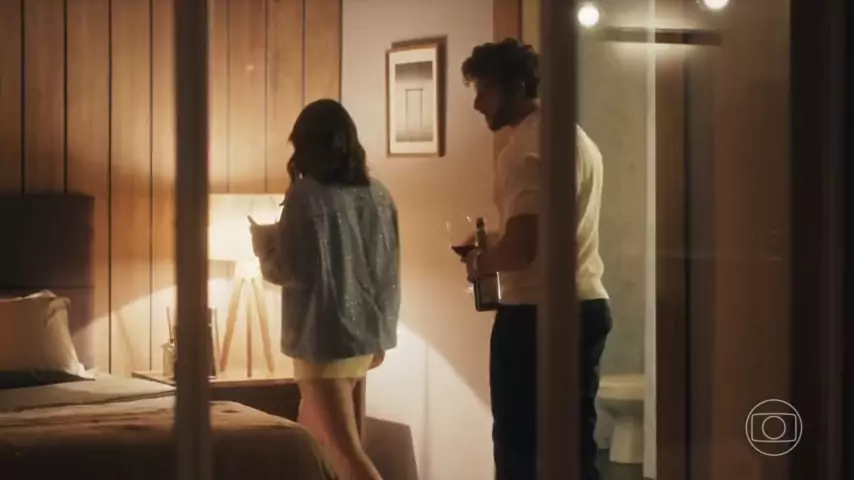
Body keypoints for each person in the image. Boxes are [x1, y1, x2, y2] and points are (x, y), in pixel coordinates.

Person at [459, 39, 612, 480]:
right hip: (587, 303)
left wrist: (481, 261)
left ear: (515, 87)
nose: (477, 103)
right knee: (574, 447)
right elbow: (551, 230)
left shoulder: (523, 151)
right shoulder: (577, 140)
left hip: (534, 315)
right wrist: (502, 240)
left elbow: (523, 251)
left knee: (518, 450)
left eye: (484, 90)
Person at [250, 98, 400, 480]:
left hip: (323, 339)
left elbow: (291, 268)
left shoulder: (307, 195)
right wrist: (382, 332)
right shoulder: (379, 194)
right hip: (364, 336)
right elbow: (387, 268)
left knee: (346, 453)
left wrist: (263, 246)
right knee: (314, 442)